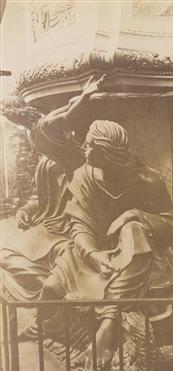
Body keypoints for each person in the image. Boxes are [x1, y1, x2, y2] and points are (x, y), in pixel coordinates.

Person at [41, 119, 173, 371]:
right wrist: (94, 254)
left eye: (89, 145)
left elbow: (169, 223)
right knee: (50, 288)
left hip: (144, 251)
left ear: (106, 153)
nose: (83, 148)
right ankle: (85, 344)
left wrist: (133, 215)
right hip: (94, 250)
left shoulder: (147, 179)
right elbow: (79, 223)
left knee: (133, 229)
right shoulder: (84, 175)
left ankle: (109, 322)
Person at [0, 76, 104, 336]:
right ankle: (53, 315)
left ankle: (57, 318)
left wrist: (85, 95)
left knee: (11, 257)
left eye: (11, 116)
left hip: (68, 225)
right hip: (49, 222)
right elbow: (43, 197)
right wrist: (27, 210)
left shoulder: (49, 135)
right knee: (5, 254)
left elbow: (66, 117)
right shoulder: (45, 154)